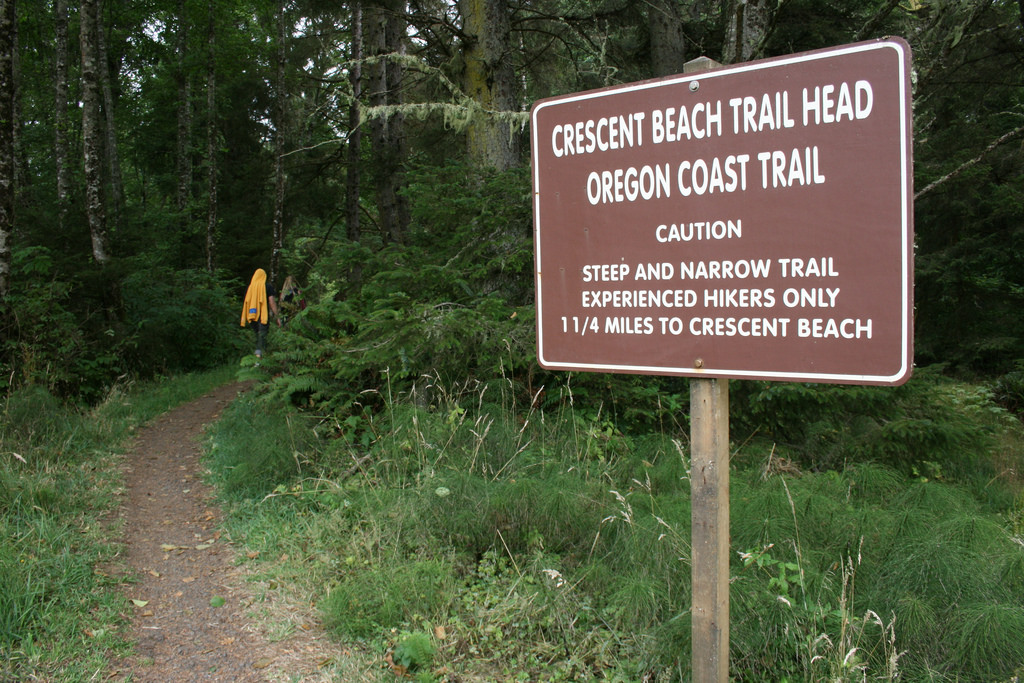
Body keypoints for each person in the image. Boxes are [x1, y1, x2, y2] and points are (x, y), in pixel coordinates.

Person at [240, 268, 281, 358]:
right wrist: (277, 316)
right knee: (262, 336)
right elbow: (272, 302)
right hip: (262, 315)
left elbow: (246, 302)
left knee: (258, 335)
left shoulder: (249, 288)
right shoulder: (267, 287)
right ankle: (258, 359)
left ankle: (263, 358)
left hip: (251, 315)